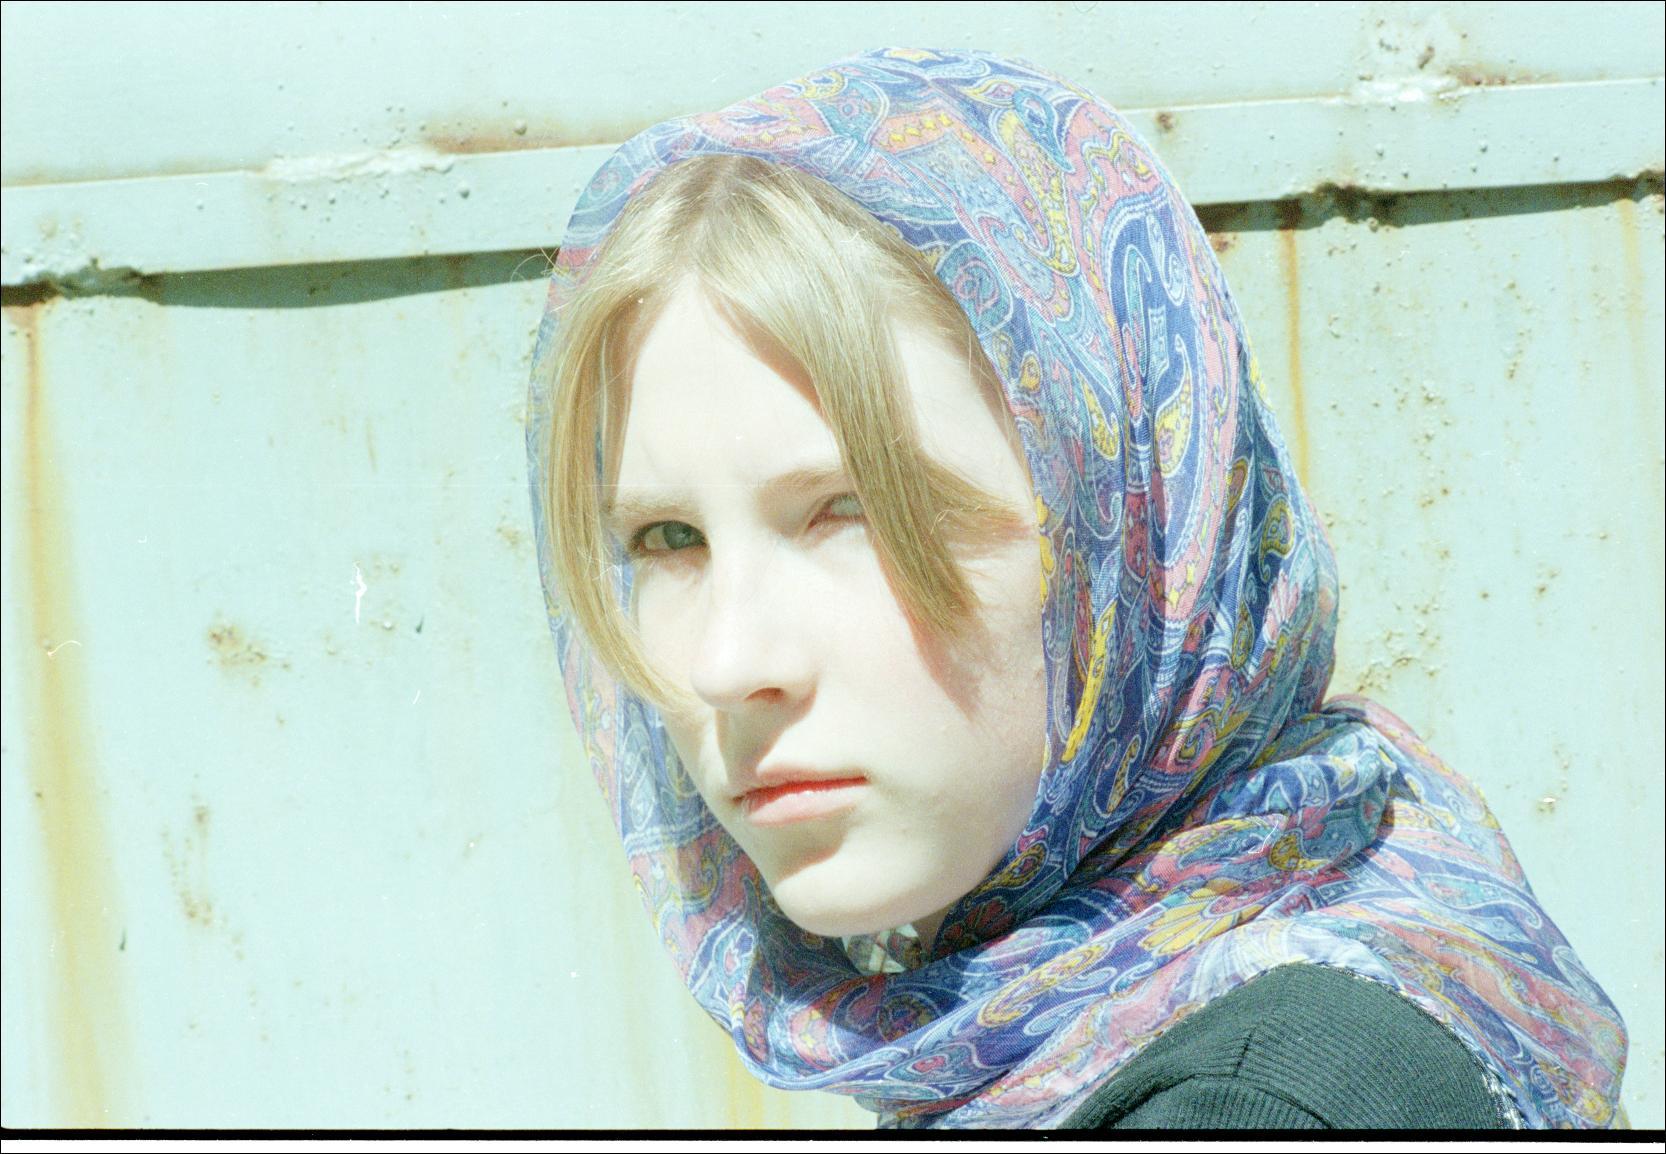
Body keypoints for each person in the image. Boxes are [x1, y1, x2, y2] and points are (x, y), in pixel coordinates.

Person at [525, 48, 1627, 1129]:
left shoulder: (1258, 1100)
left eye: (849, 509)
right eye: (667, 538)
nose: (725, 664)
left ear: (1131, 534)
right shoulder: (1128, 1002)